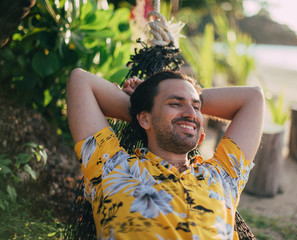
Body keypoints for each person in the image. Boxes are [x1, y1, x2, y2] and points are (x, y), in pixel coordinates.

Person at [66, 68, 264, 239]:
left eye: (196, 107)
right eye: (175, 103)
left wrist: (171, 107)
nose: (191, 113)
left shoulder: (223, 175)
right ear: (144, 120)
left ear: (201, 136)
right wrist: (142, 105)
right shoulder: (111, 168)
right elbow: (80, 80)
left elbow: (254, 97)